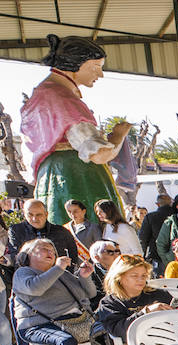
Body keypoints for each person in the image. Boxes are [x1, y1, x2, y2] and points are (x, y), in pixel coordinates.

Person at [19, 36, 132, 229]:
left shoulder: (39, 96)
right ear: (75, 64)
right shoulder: (62, 99)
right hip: (75, 175)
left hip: (49, 177)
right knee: (94, 230)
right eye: (95, 67)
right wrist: (119, 135)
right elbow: (99, 154)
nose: (100, 74)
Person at [12, 237, 113, 345]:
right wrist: (57, 268)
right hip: (37, 325)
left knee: (110, 330)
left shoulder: (62, 273)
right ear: (27, 255)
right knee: (66, 341)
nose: (50, 252)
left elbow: (88, 294)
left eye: (52, 249)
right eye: (44, 248)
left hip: (74, 321)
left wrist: (84, 277)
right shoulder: (23, 273)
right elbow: (35, 288)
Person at [95, 253, 178, 343]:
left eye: (144, 275)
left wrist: (177, 312)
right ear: (119, 277)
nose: (141, 280)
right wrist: (146, 312)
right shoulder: (109, 303)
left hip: (172, 340)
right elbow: (119, 331)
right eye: (134, 276)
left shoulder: (157, 293)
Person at [5, 198, 80, 263]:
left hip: (57, 275)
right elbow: (16, 257)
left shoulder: (61, 231)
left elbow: (73, 255)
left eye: (38, 215)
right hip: (30, 275)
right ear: (24, 214)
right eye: (30, 215)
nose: (34, 219)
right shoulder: (16, 230)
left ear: (46, 214)